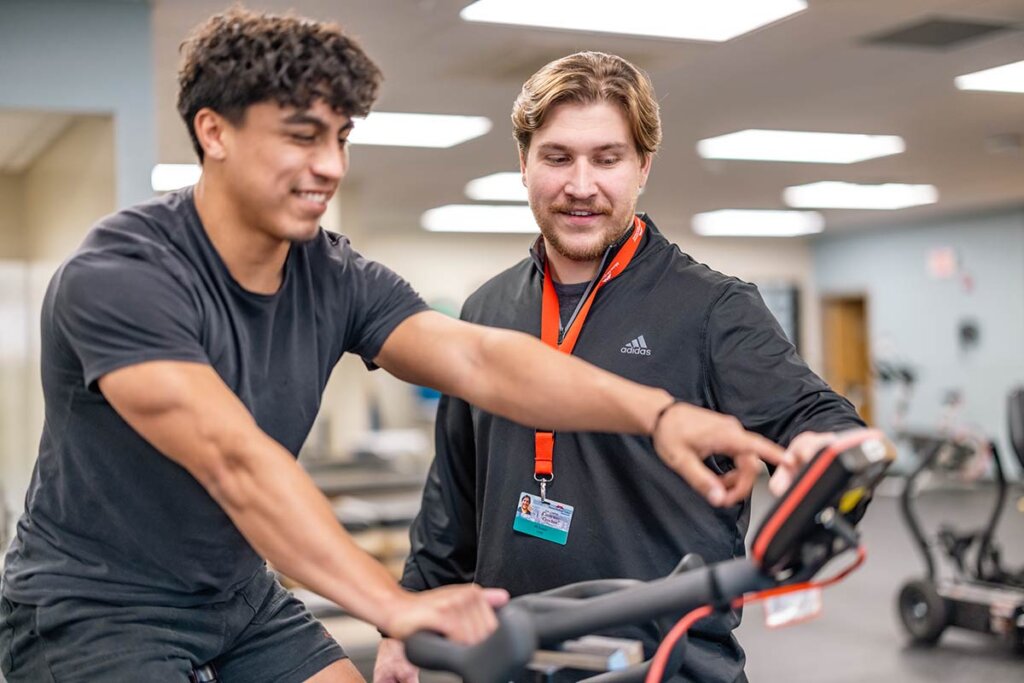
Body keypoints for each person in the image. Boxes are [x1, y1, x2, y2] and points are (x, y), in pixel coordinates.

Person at [0, 12, 788, 683]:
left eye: (340, 139)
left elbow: (478, 359)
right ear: (214, 132)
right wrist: (394, 605)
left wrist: (657, 414)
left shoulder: (330, 271)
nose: (330, 167)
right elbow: (234, 461)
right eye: (302, 138)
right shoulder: (122, 274)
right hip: (94, 602)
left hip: (235, 590)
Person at [373, 52, 866, 683]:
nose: (582, 185)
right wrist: (401, 622)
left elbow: (817, 418)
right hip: (513, 658)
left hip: (665, 665)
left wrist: (828, 458)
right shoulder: (485, 310)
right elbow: (453, 494)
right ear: (523, 164)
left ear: (642, 168)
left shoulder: (713, 307)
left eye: (607, 159)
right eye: (557, 157)